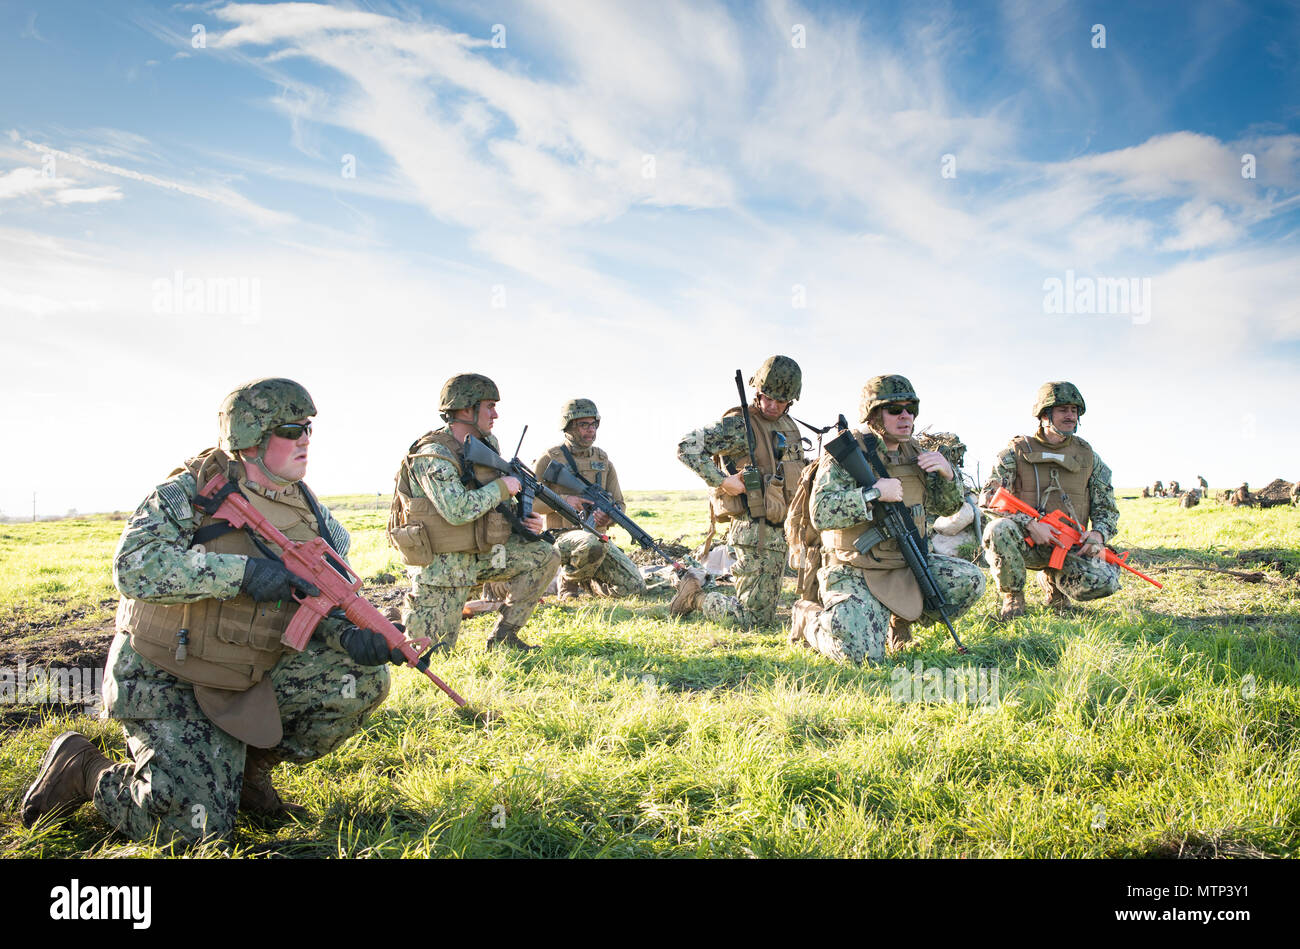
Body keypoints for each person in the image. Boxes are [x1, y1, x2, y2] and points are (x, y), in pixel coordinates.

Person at [21, 378, 396, 846]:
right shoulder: (192, 493)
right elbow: (133, 567)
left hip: (246, 671)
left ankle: (244, 778)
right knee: (196, 833)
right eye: (289, 429)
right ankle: (85, 770)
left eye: (308, 429)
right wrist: (241, 574)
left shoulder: (313, 514)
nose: (304, 439)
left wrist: (354, 637)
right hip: (167, 675)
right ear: (251, 438)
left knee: (362, 679)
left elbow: (323, 597)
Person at [794, 375, 985, 663]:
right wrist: (872, 494)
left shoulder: (916, 454)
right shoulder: (846, 454)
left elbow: (947, 508)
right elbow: (820, 512)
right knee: (861, 656)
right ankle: (808, 617)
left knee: (970, 580)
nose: (906, 416)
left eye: (911, 409)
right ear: (873, 414)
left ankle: (897, 625)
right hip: (855, 567)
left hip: (907, 562)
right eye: (895, 410)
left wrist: (948, 474)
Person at [386, 373, 560, 652]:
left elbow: (493, 502)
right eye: (489, 406)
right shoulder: (433, 454)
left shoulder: (487, 447)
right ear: (466, 409)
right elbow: (457, 510)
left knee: (545, 555)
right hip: (442, 568)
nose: (496, 414)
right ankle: (396, 619)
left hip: (482, 552)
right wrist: (504, 487)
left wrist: (524, 520)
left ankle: (505, 638)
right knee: (431, 656)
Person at [671, 356, 806, 628]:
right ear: (757, 391)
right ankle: (694, 597)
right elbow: (686, 446)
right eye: (767, 397)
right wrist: (722, 480)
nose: (772, 405)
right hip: (753, 531)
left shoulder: (789, 426)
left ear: (791, 400)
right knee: (751, 621)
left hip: (782, 529)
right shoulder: (739, 425)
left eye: (781, 401)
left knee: (764, 616)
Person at [981, 381, 1120, 620]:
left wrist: (1098, 535)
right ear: (1045, 415)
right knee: (997, 529)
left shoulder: (1088, 457)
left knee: (1106, 581)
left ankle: (1054, 583)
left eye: (1074, 411)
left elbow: (1106, 507)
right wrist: (1030, 524)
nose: (1070, 416)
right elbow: (990, 498)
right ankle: (1013, 595)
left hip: (1069, 545)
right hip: (1026, 542)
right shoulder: (1016, 452)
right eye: (1063, 410)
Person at [533, 398, 646, 599]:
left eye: (593, 424)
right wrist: (563, 501)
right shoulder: (550, 458)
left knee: (634, 586)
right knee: (590, 543)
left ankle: (590, 583)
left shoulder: (603, 461)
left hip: (598, 539)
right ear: (567, 426)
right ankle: (568, 583)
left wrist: (608, 518)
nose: (590, 430)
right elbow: (529, 504)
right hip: (561, 539)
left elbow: (619, 504)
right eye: (583, 425)